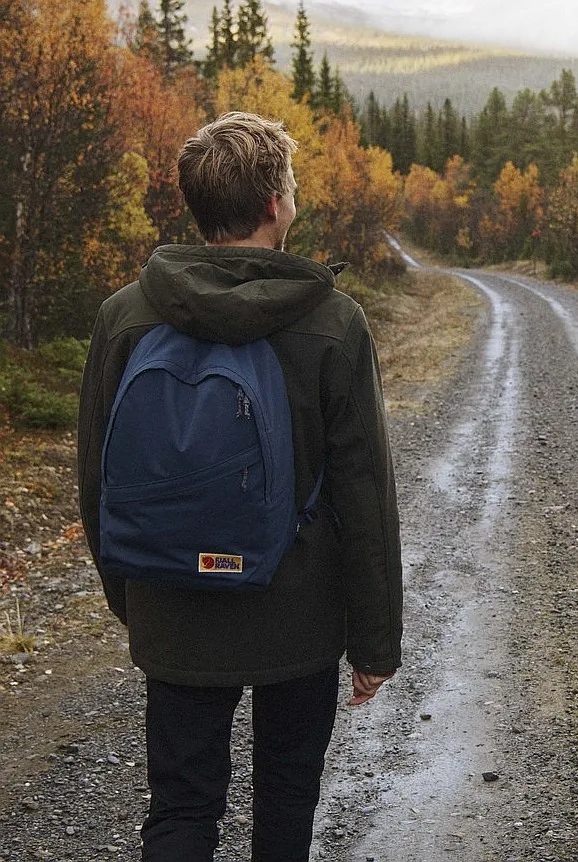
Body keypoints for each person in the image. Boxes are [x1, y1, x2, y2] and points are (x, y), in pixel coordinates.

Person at [77, 111, 403, 862]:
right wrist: (375, 639)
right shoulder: (332, 322)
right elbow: (365, 493)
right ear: (274, 206)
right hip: (299, 614)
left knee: (181, 808)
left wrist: (130, 598)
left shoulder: (125, 316)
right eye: (289, 184)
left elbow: (97, 478)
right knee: (286, 798)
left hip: (173, 600)